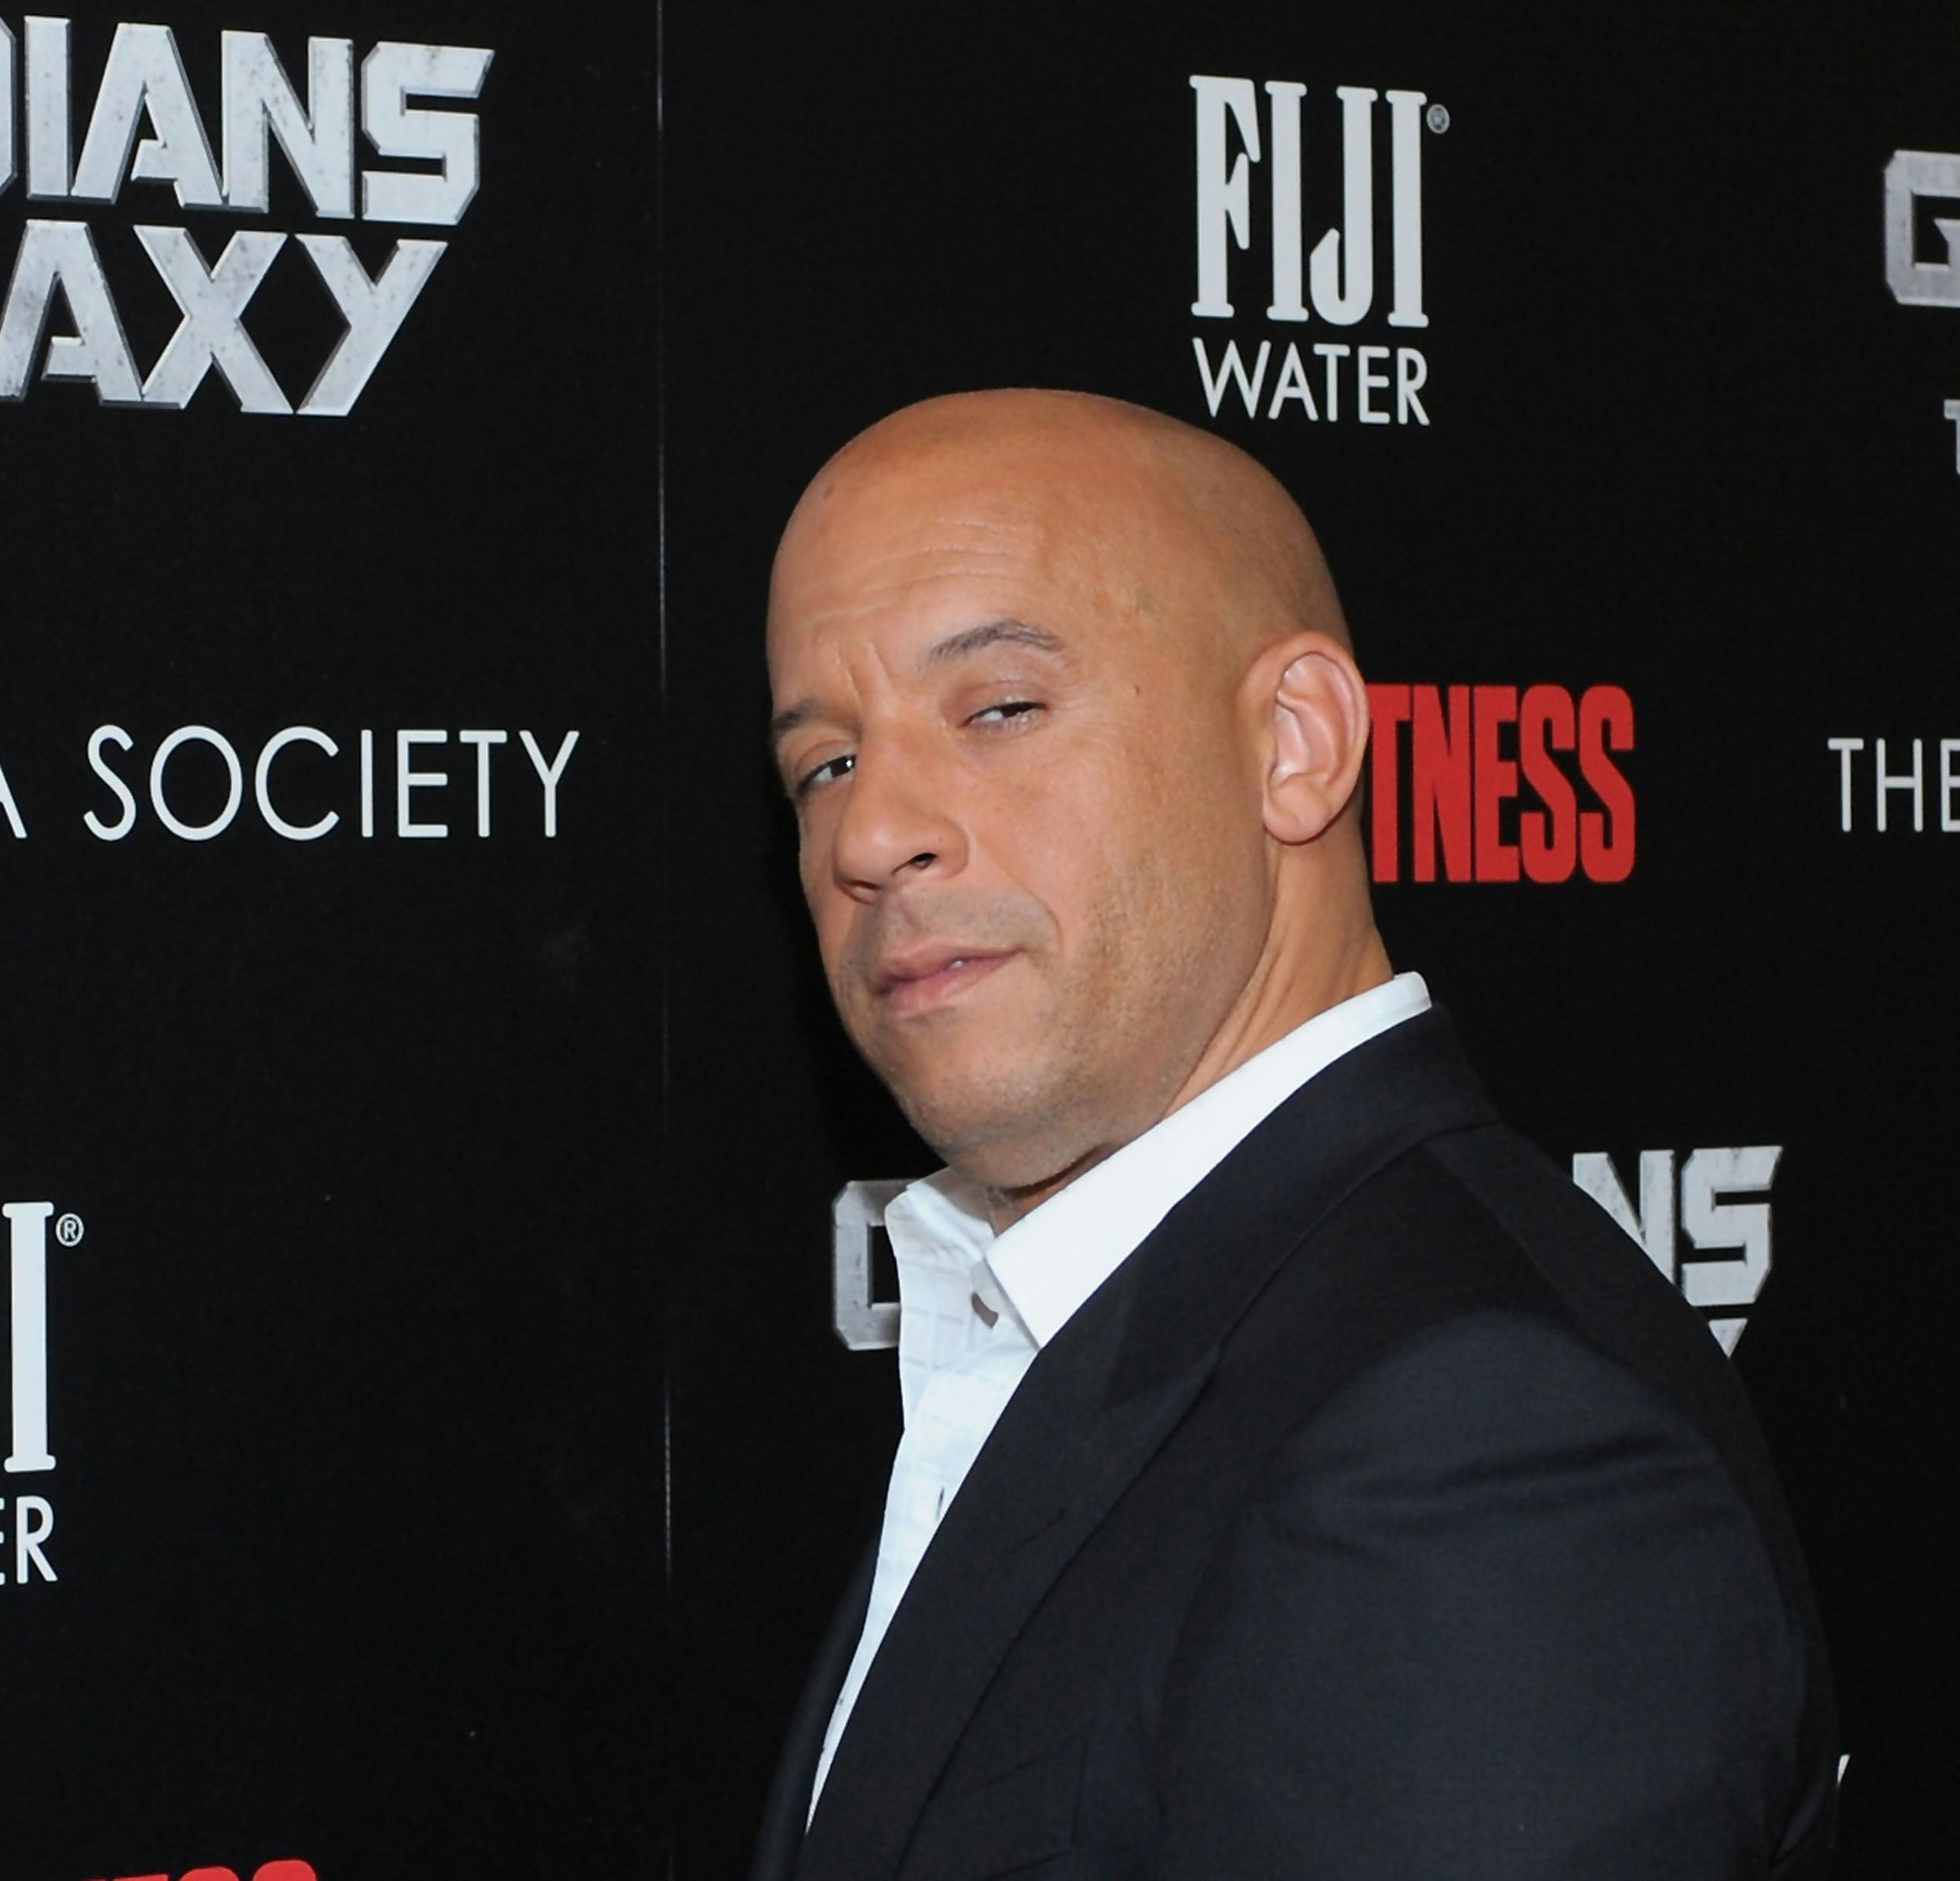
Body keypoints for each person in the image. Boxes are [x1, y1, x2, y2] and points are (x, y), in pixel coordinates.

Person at [752, 390, 1836, 1880]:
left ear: (1295, 745)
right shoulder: (1117, 1316)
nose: (870, 836)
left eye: (999, 709)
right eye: (824, 764)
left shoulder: (1476, 1451)